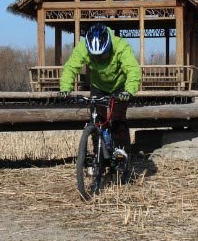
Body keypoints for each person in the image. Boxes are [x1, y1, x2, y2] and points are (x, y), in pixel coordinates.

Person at [58, 23, 141, 164]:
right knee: (97, 121)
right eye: (95, 56)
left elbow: (133, 69)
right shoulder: (83, 46)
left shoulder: (120, 46)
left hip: (119, 87)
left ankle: (123, 155)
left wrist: (129, 90)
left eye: (103, 54)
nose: (100, 58)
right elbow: (71, 67)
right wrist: (65, 88)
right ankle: (100, 158)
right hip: (98, 86)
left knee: (118, 118)